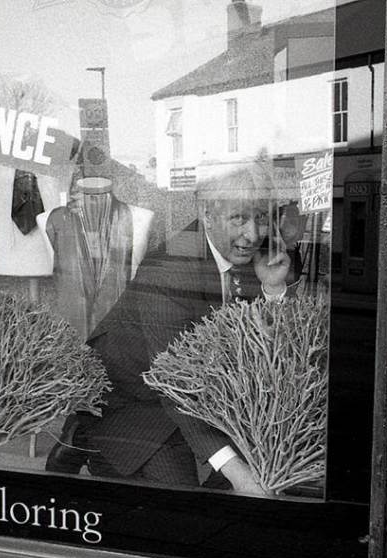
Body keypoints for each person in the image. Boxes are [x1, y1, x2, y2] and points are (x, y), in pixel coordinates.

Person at [45, 164, 297, 494]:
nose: (252, 234)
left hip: (202, 395)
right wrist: (236, 470)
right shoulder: (170, 271)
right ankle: (82, 432)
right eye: (239, 218)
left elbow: (258, 351)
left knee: (260, 468)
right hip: (134, 403)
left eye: (261, 218)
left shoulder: (249, 257)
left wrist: (273, 289)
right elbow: (173, 383)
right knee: (181, 503)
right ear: (208, 213)